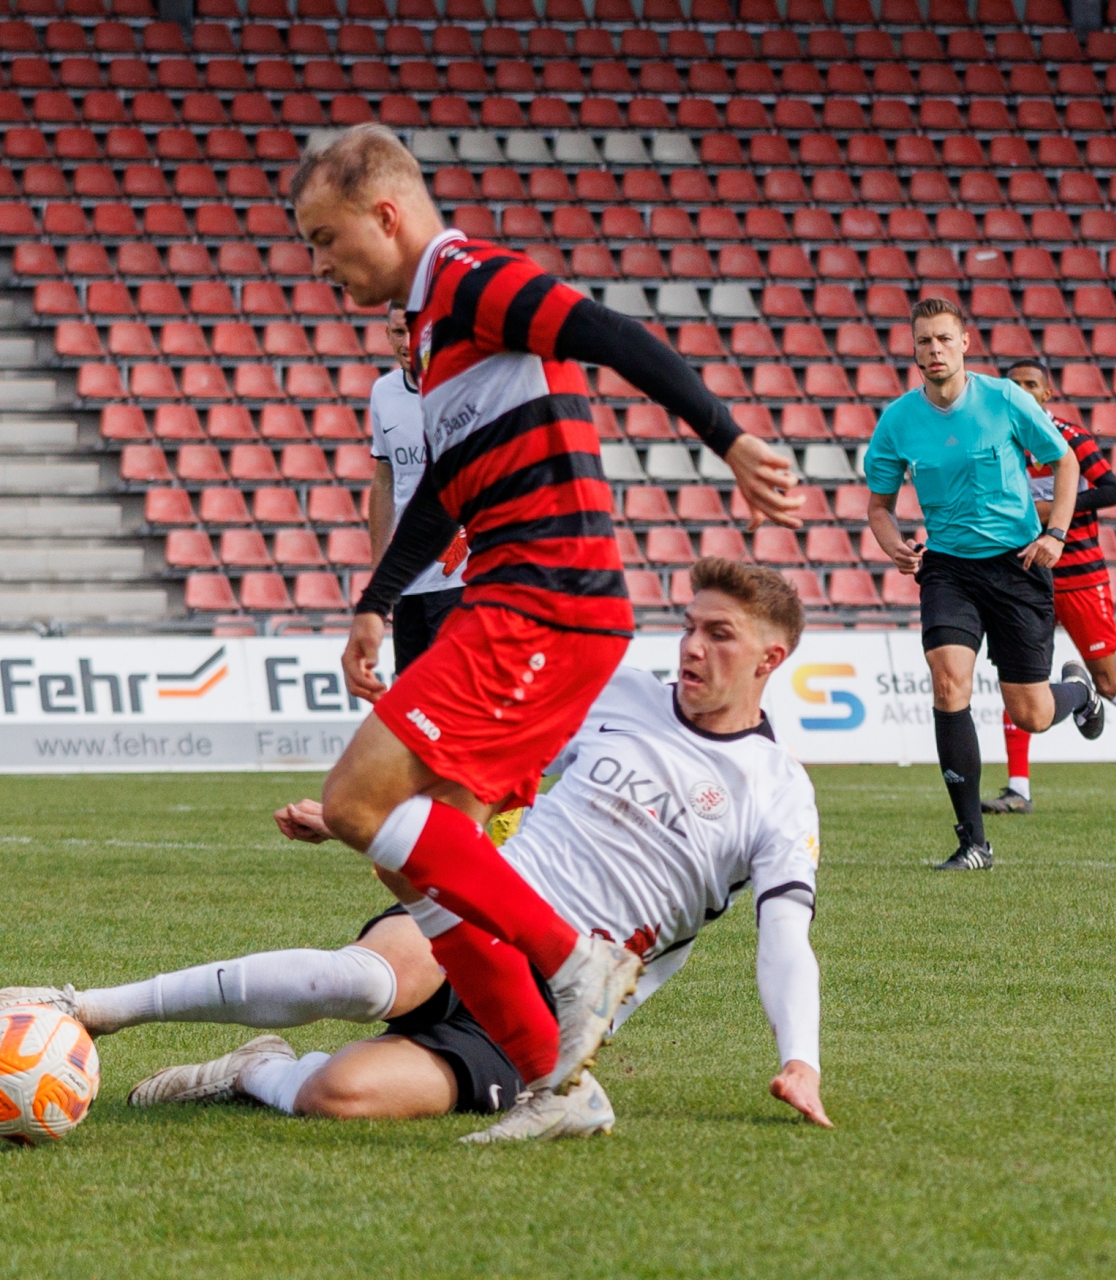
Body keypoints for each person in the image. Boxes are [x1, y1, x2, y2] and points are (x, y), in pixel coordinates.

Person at [287, 125, 803, 1127]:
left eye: (324, 238)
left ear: (385, 216)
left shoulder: (470, 278)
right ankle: (552, 1083)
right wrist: (376, 601)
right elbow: (445, 489)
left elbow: (607, 332)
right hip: (519, 596)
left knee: (355, 802)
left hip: (544, 597)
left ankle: (577, 960)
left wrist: (730, 439)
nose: (320, 264)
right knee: (417, 852)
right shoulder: (432, 331)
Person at [0, 561, 828, 1141]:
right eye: (689, 626)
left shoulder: (779, 792)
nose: (692, 647)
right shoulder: (618, 694)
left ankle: (257, 1070)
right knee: (365, 979)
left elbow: (784, 940)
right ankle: (88, 1007)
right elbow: (489, 768)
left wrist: (800, 1059)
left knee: (340, 1097)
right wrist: (386, 820)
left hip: (558, 1016)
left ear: (770, 657)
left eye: (719, 634)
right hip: (484, 904)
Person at [866, 299, 1106, 873]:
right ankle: (974, 842)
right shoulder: (898, 420)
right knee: (949, 683)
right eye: (924, 341)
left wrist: (1056, 533)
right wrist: (893, 543)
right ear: (914, 350)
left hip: (1017, 565)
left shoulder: (1005, 399)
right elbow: (878, 506)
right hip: (947, 567)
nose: (935, 350)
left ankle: (1080, 692)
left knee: (1031, 713)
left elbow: (1066, 462)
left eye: (944, 339)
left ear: (965, 343)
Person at [982, 361, 1116, 815]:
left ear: (1047, 393)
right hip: (1026, 576)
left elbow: (1113, 491)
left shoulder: (1071, 438)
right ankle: (1018, 789)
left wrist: (1055, 508)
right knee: (1018, 678)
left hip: (1080, 576)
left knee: (1108, 680)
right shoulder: (998, 444)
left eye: (1031, 384)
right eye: (1015, 385)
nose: (1023, 390)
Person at [368, 301, 466, 671]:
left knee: (451, 685)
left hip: (459, 575)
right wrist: (380, 573)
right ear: (387, 335)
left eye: (414, 331)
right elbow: (385, 479)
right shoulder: (383, 392)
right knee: (409, 687)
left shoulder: (460, 388)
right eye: (398, 332)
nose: (406, 341)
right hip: (408, 577)